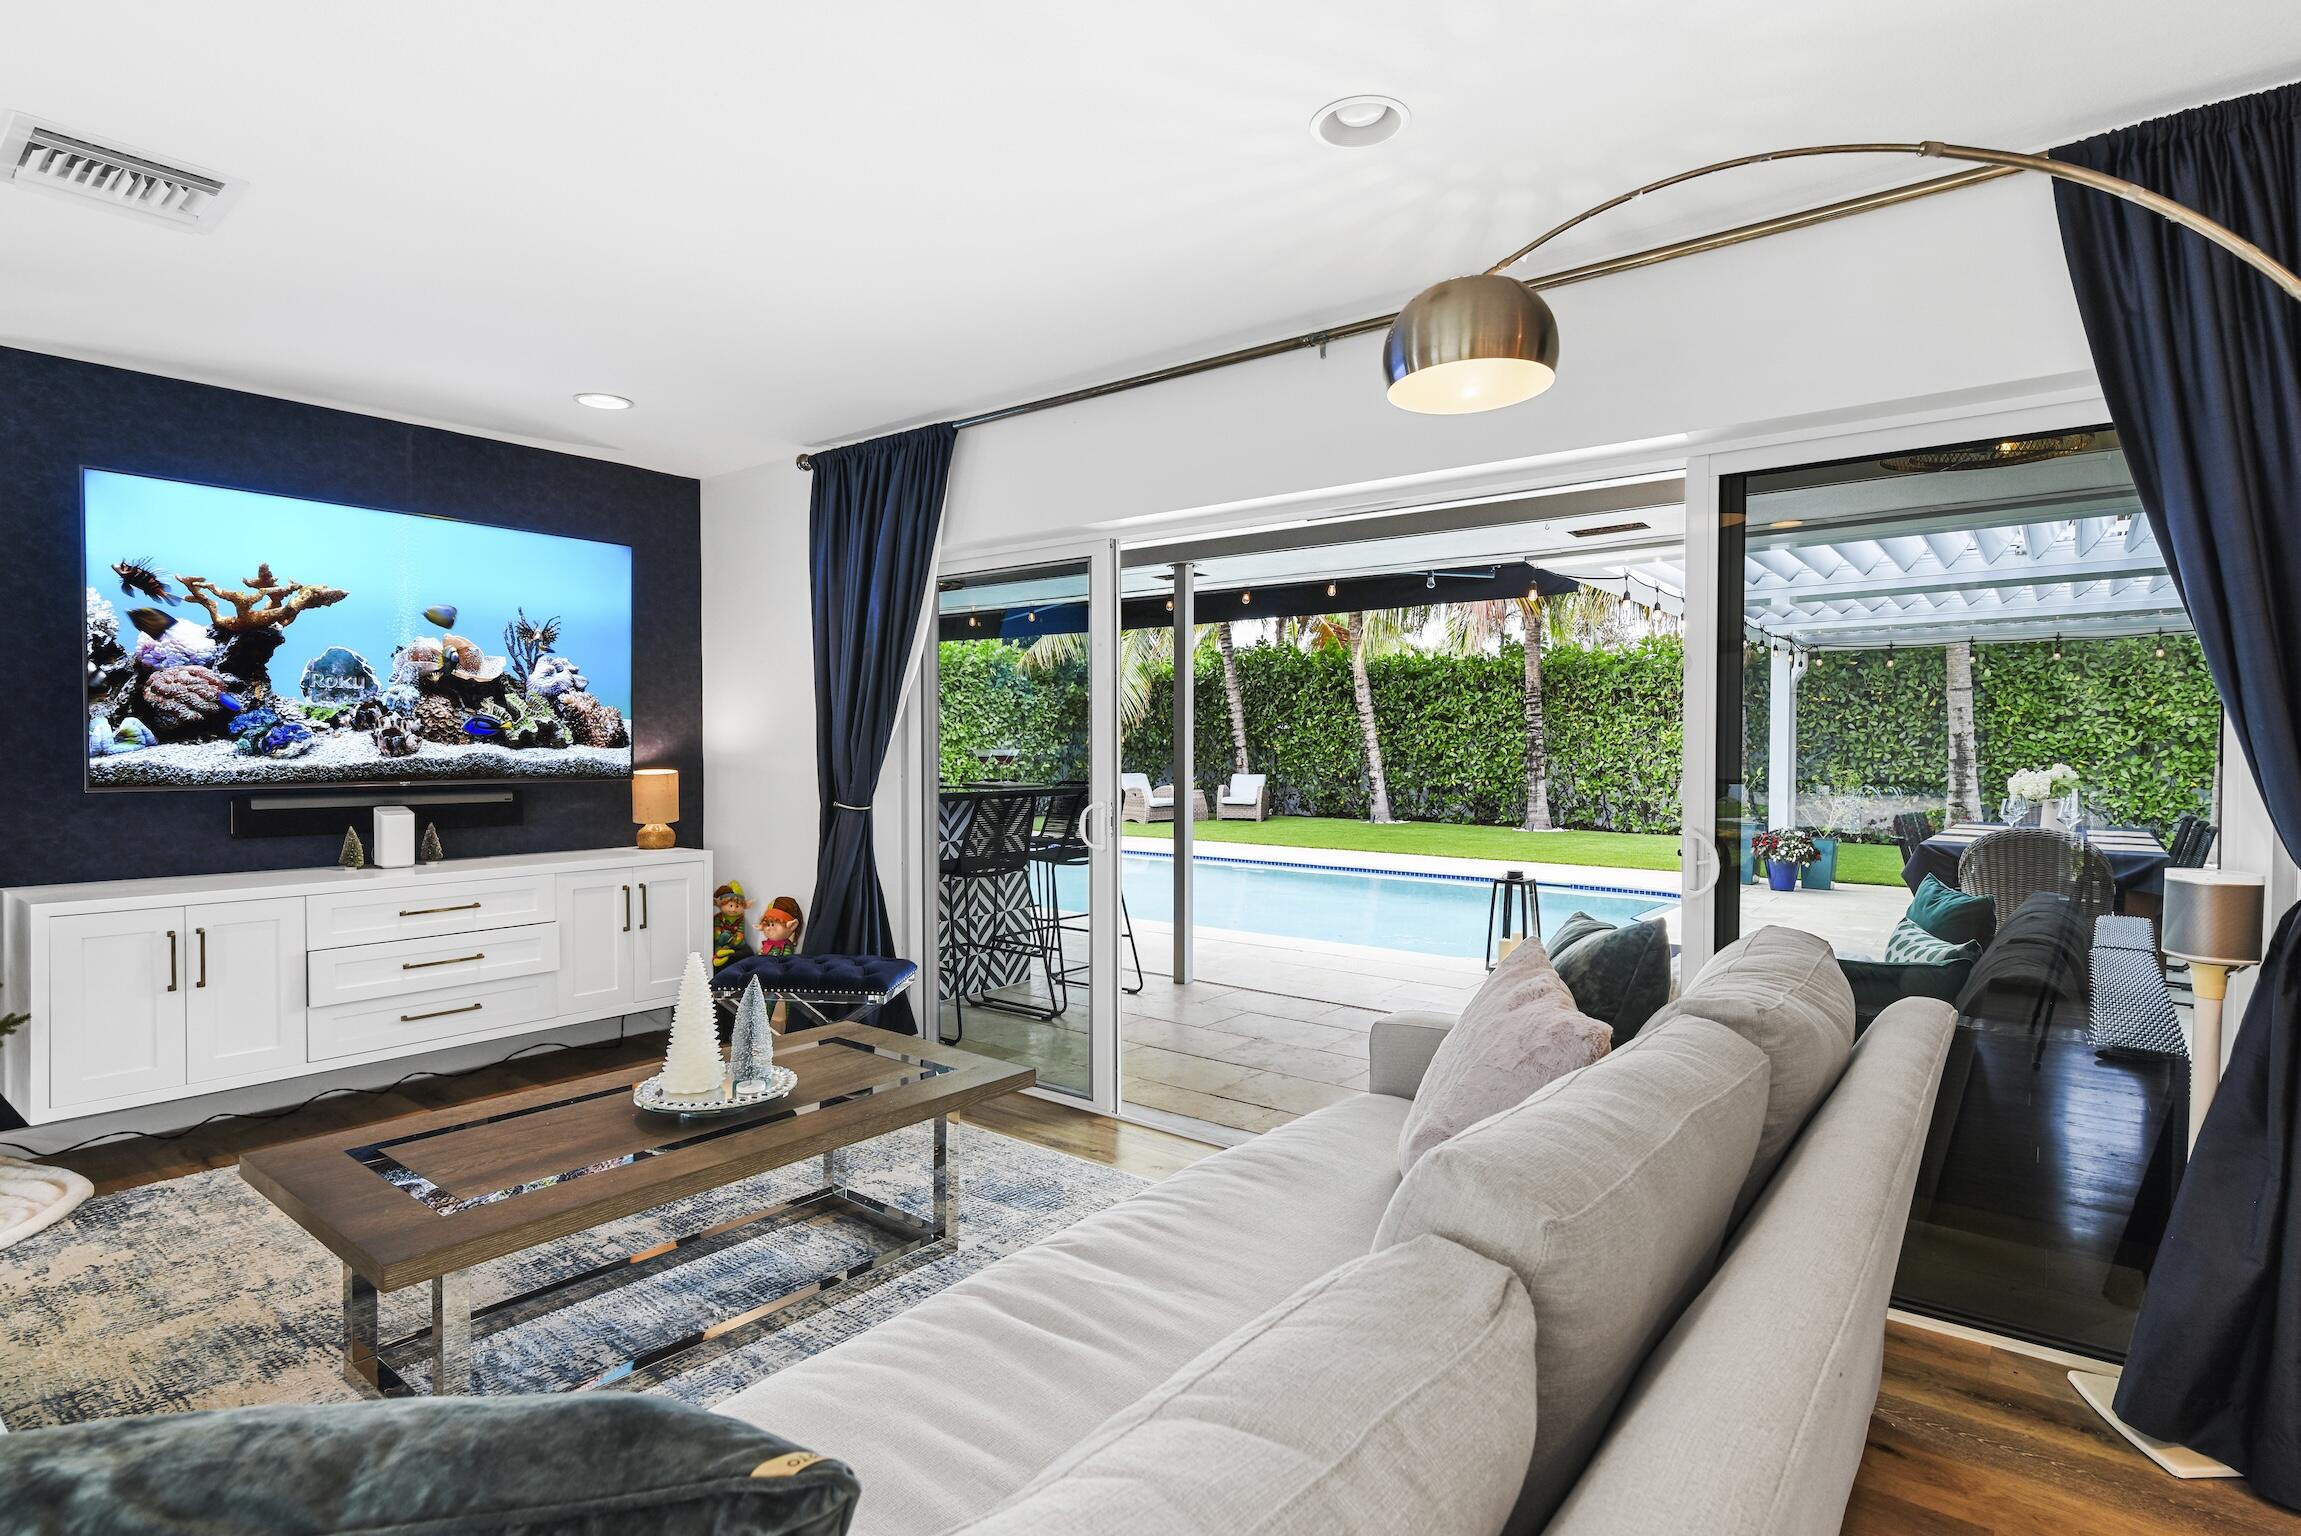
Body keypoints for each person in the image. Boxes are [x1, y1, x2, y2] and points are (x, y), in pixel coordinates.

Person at [711, 881, 756, 969]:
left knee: (742, 944)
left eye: (737, 906)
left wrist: (736, 939)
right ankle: (718, 956)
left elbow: (740, 932)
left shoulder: (740, 919)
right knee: (723, 937)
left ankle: (725, 951)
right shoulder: (719, 918)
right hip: (721, 939)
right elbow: (716, 928)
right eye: (731, 906)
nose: (734, 909)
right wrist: (719, 935)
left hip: (734, 941)